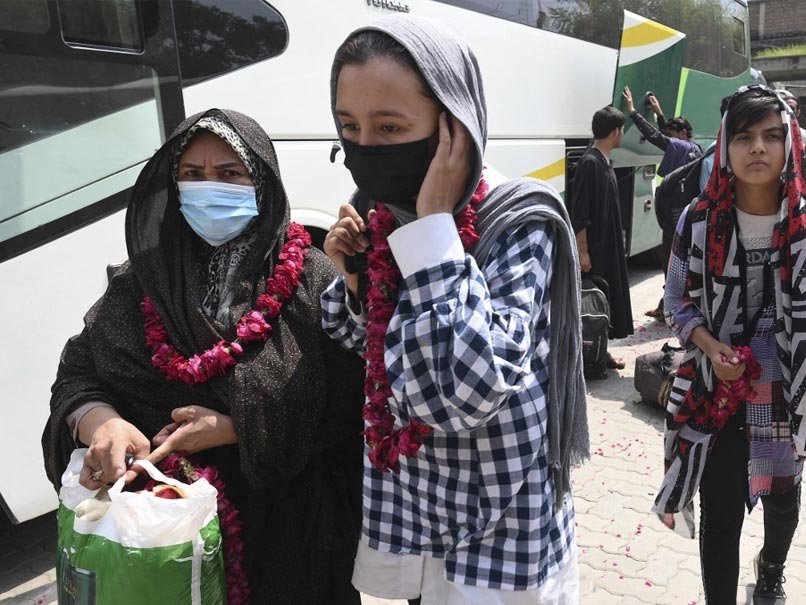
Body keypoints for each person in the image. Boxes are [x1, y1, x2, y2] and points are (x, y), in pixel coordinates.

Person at [42, 109, 366, 604]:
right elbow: (78, 375)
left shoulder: (313, 281)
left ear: (262, 184)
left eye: (230, 174)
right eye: (192, 175)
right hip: (158, 548)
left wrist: (236, 427)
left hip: (287, 545)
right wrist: (100, 422)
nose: (208, 187)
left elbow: (353, 399)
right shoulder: (139, 283)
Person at [321, 15, 588, 605]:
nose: (365, 148)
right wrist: (355, 283)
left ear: (455, 125)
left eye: (390, 127)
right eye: (349, 127)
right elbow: (363, 351)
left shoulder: (519, 223)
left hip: (495, 534)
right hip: (415, 517)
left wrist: (436, 233)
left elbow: (464, 394)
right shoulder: (385, 214)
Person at [652, 85, 806, 605]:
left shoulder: (805, 223)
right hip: (718, 388)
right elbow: (676, 299)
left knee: (783, 500)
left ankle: (771, 569)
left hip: (787, 389)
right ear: (724, 144)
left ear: (790, 144)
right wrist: (707, 342)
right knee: (720, 511)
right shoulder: (698, 220)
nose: (757, 148)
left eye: (771, 135)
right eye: (744, 137)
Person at [622, 85, 704, 319]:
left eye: (671, 134)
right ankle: (673, 302)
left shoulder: (679, 145)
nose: (668, 138)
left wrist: (633, 111)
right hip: (688, 213)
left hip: (675, 217)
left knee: (672, 260)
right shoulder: (695, 148)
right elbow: (668, 138)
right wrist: (659, 113)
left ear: (681, 134)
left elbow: (657, 138)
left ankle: (670, 306)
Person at [569, 105, 634, 369]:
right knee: (596, 300)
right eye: (622, 130)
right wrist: (583, 252)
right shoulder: (590, 163)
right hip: (596, 249)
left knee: (608, 299)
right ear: (616, 131)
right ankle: (590, 353)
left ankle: (601, 350)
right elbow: (580, 214)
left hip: (609, 246)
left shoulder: (603, 161)